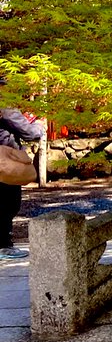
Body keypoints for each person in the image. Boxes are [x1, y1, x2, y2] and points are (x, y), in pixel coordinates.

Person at [0, 108, 44, 259]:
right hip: (5, 164)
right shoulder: (6, 111)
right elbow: (31, 133)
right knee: (8, 204)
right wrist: (39, 125)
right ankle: (3, 246)